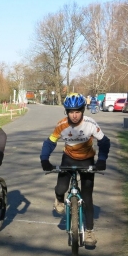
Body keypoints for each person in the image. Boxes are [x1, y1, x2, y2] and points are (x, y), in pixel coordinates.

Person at [40, 93, 110, 247]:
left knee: (87, 197)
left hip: (87, 160)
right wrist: (44, 159)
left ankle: (90, 231)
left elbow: (104, 142)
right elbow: (49, 143)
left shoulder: (90, 123)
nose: (75, 115)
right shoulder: (61, 125)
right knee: (61, 187)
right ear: (66, 112)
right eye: (71, 112)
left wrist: (102, 160)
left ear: (83, 110)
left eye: (78, 111)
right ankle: (58, 198)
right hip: (69, 158)